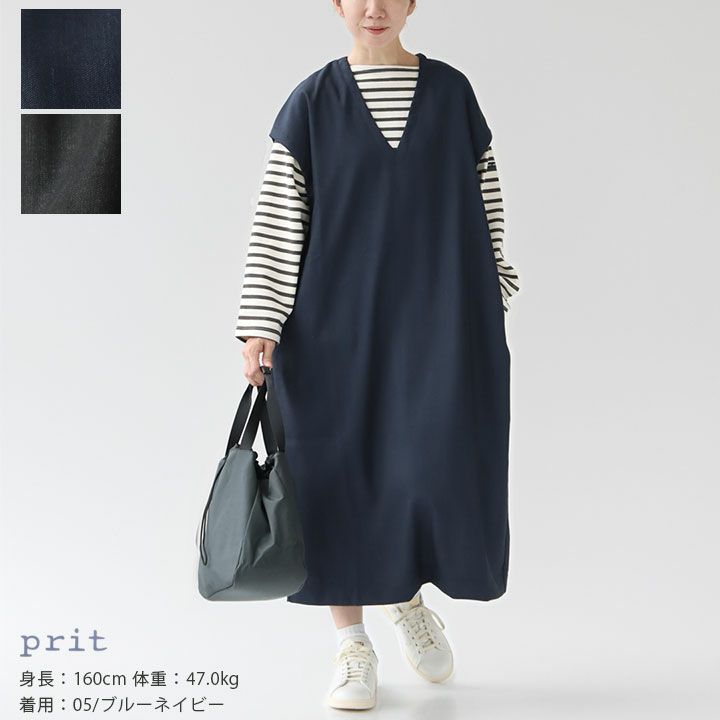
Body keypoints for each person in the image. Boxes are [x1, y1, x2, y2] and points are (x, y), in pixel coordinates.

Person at [234, 0, 520, 710]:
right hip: (331, 327)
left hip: (440, 320)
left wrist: (496, 282)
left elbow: (485, 193)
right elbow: (278, 216)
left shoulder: (451, 94)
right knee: (336, 479)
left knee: (429, 467)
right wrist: (260, 322)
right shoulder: (311, 103)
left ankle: (404, 597)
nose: (374, 8)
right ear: (336, 4)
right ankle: (351, 645)